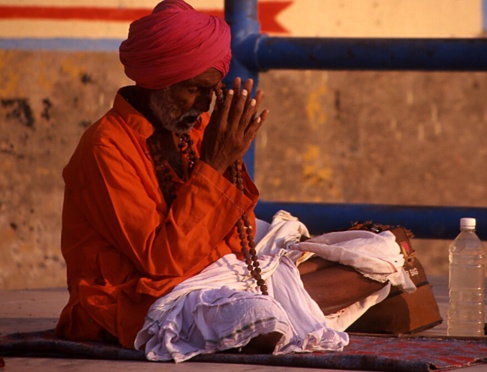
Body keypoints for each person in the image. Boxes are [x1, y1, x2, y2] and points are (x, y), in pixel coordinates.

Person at [56, 0, 415, 360]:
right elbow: (161, 262)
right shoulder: (106, 147)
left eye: (213, 90)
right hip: (144, 296)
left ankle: (295, 304)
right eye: (195, 89)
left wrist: (227, 164)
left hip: (223, 272)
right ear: (157, 82)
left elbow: (238, 235)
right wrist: (214, 164)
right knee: (259, 319)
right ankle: (291, 309)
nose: (206, 104)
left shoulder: (193, 132)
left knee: (382, 250)